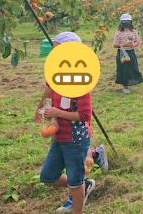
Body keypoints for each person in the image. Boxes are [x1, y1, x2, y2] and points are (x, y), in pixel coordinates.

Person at [36, 32, 106, 214]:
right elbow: (49, 90)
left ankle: (77, 201)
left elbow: (84, 115)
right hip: (59, 137)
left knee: (75, 181)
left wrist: (57, 113)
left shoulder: (80, 85)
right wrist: (41, 108)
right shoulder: (56, 76)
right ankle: (84, 183)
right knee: (48, 177)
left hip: (76, 139)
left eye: (58, 50)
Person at [113, 14, 143, 94]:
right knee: (124, 70)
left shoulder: (133, 32)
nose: (126, 23)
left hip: (131, 52)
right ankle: (125, 86)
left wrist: (134, 45)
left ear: (130, 22)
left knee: (133, 68)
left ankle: (131, 81)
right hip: (122, 53)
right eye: (124, 21)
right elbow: (115, 44)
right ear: (121, 23)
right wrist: (123, 45)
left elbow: (137, 41)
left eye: (127, 21)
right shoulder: (118, 33)